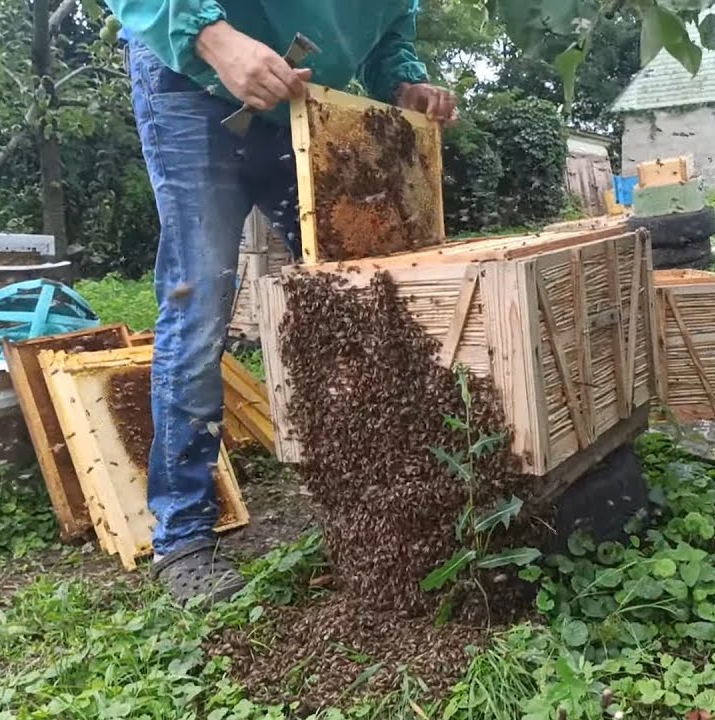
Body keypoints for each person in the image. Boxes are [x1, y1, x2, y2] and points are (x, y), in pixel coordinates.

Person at [102, 0, 457, 604]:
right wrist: (211, 38)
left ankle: (377, 493)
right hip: (189, 80)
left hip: (299, 101)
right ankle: (182, 537)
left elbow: (389, 30)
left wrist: (402, 82)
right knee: (200, 300)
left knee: (353, 286)